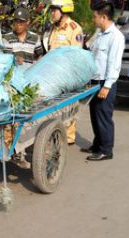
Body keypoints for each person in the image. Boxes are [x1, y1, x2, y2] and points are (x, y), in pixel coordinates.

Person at [82, 0, 124, 161]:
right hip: (95, 80)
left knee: (103, 116)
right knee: (95, 114)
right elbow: (88, 48)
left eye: (95, 17)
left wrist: (106, 86)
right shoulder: (99, 33)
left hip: (106, 82)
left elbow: (114, 65)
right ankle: (97, 144)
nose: (93, 19)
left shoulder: (116, 37)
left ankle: (106, 150)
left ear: (104, 17)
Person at [42, 0, 84, 145]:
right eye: (51, 10)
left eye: (54, 10)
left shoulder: (74, 29)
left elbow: (77, 56)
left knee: (69, 108)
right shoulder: (53, 29)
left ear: (64, 10)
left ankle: (69, 137)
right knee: (53, 107)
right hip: (52, 76)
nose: (52, 13)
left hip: (67, 76)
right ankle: (56, 133)